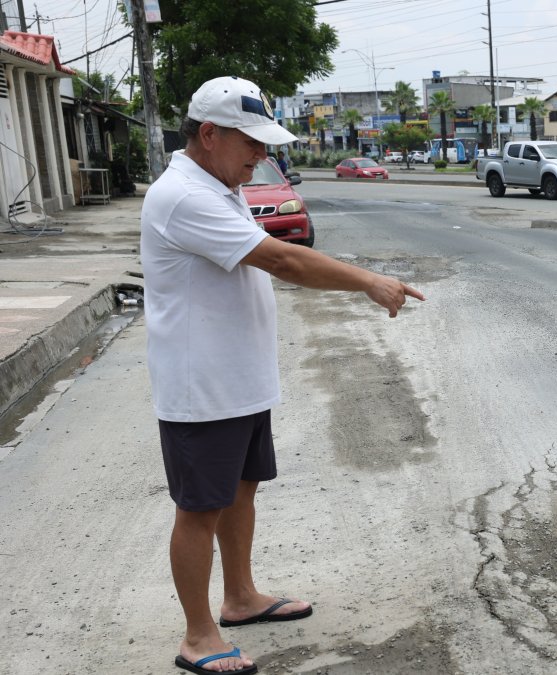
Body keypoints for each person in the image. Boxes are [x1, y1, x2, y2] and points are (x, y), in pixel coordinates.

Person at [140, 76, 425, 675]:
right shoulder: (184, 196)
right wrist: (368, 281)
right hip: (203, 386)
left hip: (239, 378)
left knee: (241, 490)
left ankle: (240, 598)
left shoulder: (220, 183)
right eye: (252, 144)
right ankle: (198, 635)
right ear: (210, 134)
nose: (262, 156)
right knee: (199, 508)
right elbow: (281, 259)